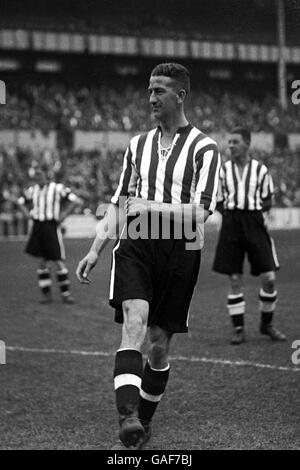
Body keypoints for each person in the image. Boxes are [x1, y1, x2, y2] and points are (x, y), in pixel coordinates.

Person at [76, 63, 220, 449]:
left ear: (180, 95)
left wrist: (152, 207)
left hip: (181, 249)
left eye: (159, 91)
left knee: (158, 343)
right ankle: (127, 418)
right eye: (149, 90)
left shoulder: (205, 149)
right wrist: (95, 248)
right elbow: (121, 203)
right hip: (137, 243)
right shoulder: (137, 145)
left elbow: (201, 212)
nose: (151, 98)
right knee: (134, 323)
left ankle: (144, 416)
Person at [212, 127, 286, 345]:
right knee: (234, 278)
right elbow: (217, 200)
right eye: (229, 142)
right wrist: (231, 215)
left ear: (246, 143)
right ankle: (238, 328)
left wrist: (251, 210)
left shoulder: (260, 170)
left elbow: (268, 200)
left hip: (255, 223)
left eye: (235, 142)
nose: (231, 146)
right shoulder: (224, 170)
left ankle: (267, 324)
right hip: (231, 224)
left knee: (269, 278)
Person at [17, 165, 81, 304]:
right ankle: (46, 295)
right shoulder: (32, 190)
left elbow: (76, 200)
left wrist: (64, 214)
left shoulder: (57, 188)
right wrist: (28, 215)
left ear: (46, 176)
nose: (38, 178)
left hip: (51, 226)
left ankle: (65, 294)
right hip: (38, 226)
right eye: (36, 176)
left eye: (40, 175)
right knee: (41, 261)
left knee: (58, 260)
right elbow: (20, 202)